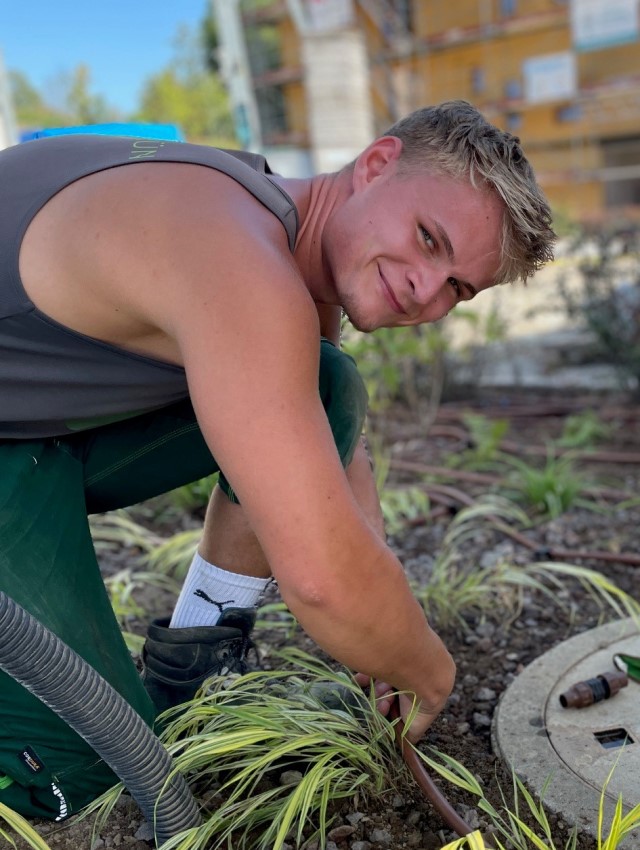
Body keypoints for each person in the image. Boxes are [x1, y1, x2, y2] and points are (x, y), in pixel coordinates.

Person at [0, 100, 555, 821]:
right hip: (20, 448)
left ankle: (193, 666)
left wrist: (383, 631)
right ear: (376, 165)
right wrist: (427, 669)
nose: (426, 287)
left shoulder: (279, 236)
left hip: (29, 428)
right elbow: (324, 580)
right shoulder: (234, 255)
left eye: (458, 287)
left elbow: (340, 483)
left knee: (325, 381)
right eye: (427, 239)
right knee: (85, 774)